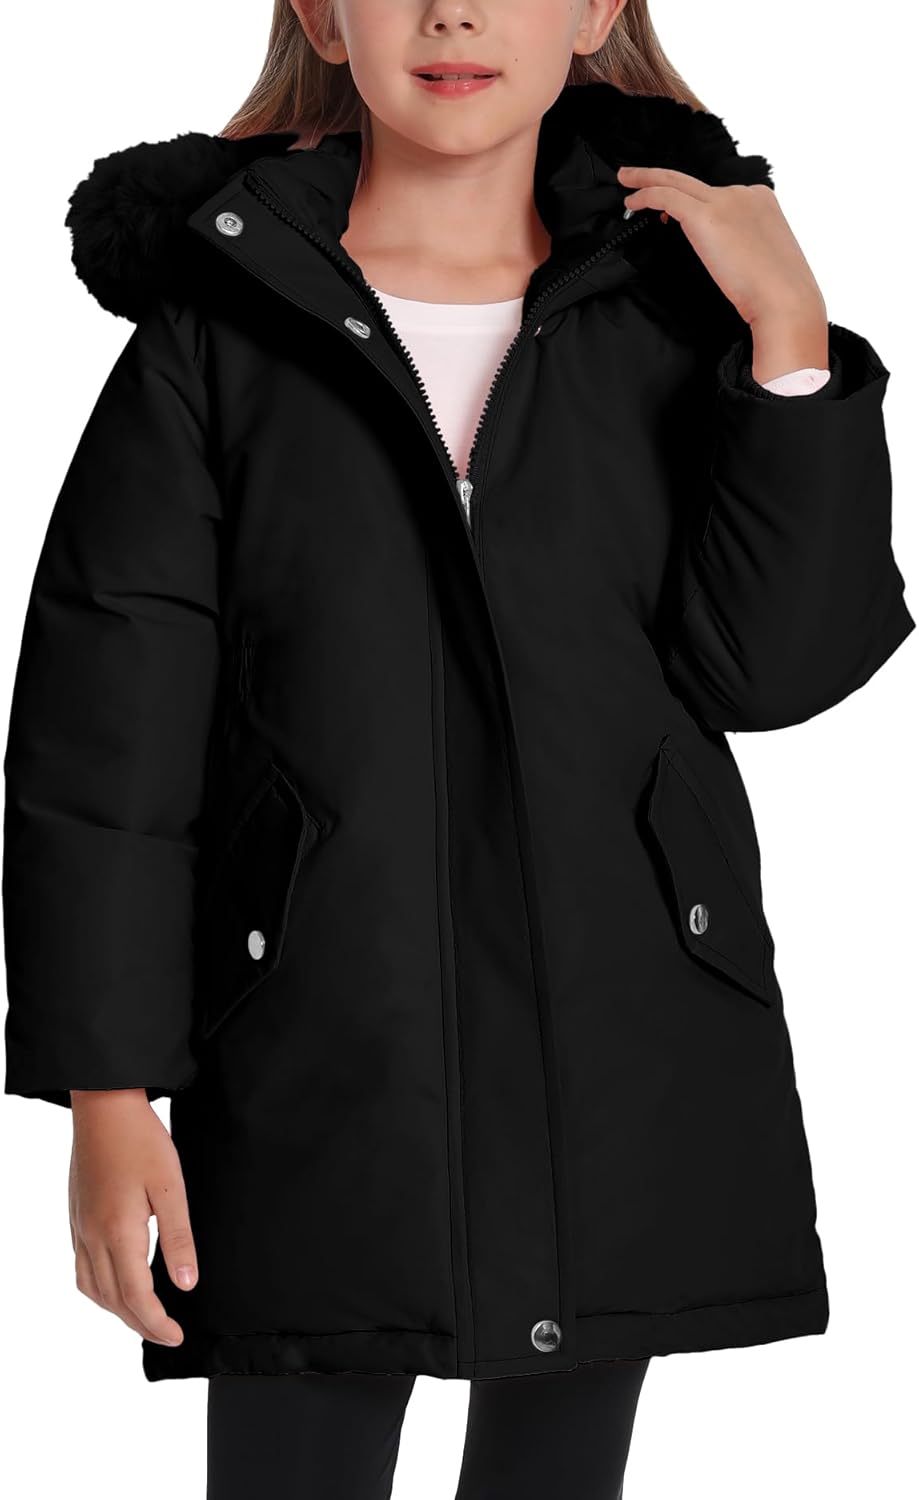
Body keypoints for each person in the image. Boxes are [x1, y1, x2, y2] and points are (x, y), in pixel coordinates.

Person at [3, 1, 913, 1496]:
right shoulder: (219, 336)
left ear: (598, 9)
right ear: (320, 11)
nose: (455, 11)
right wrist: (108, 1091)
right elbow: (105, 742)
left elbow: (776, 668)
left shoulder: (667, 319)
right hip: (317, 1043)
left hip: (621, 1035)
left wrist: (790, 343)